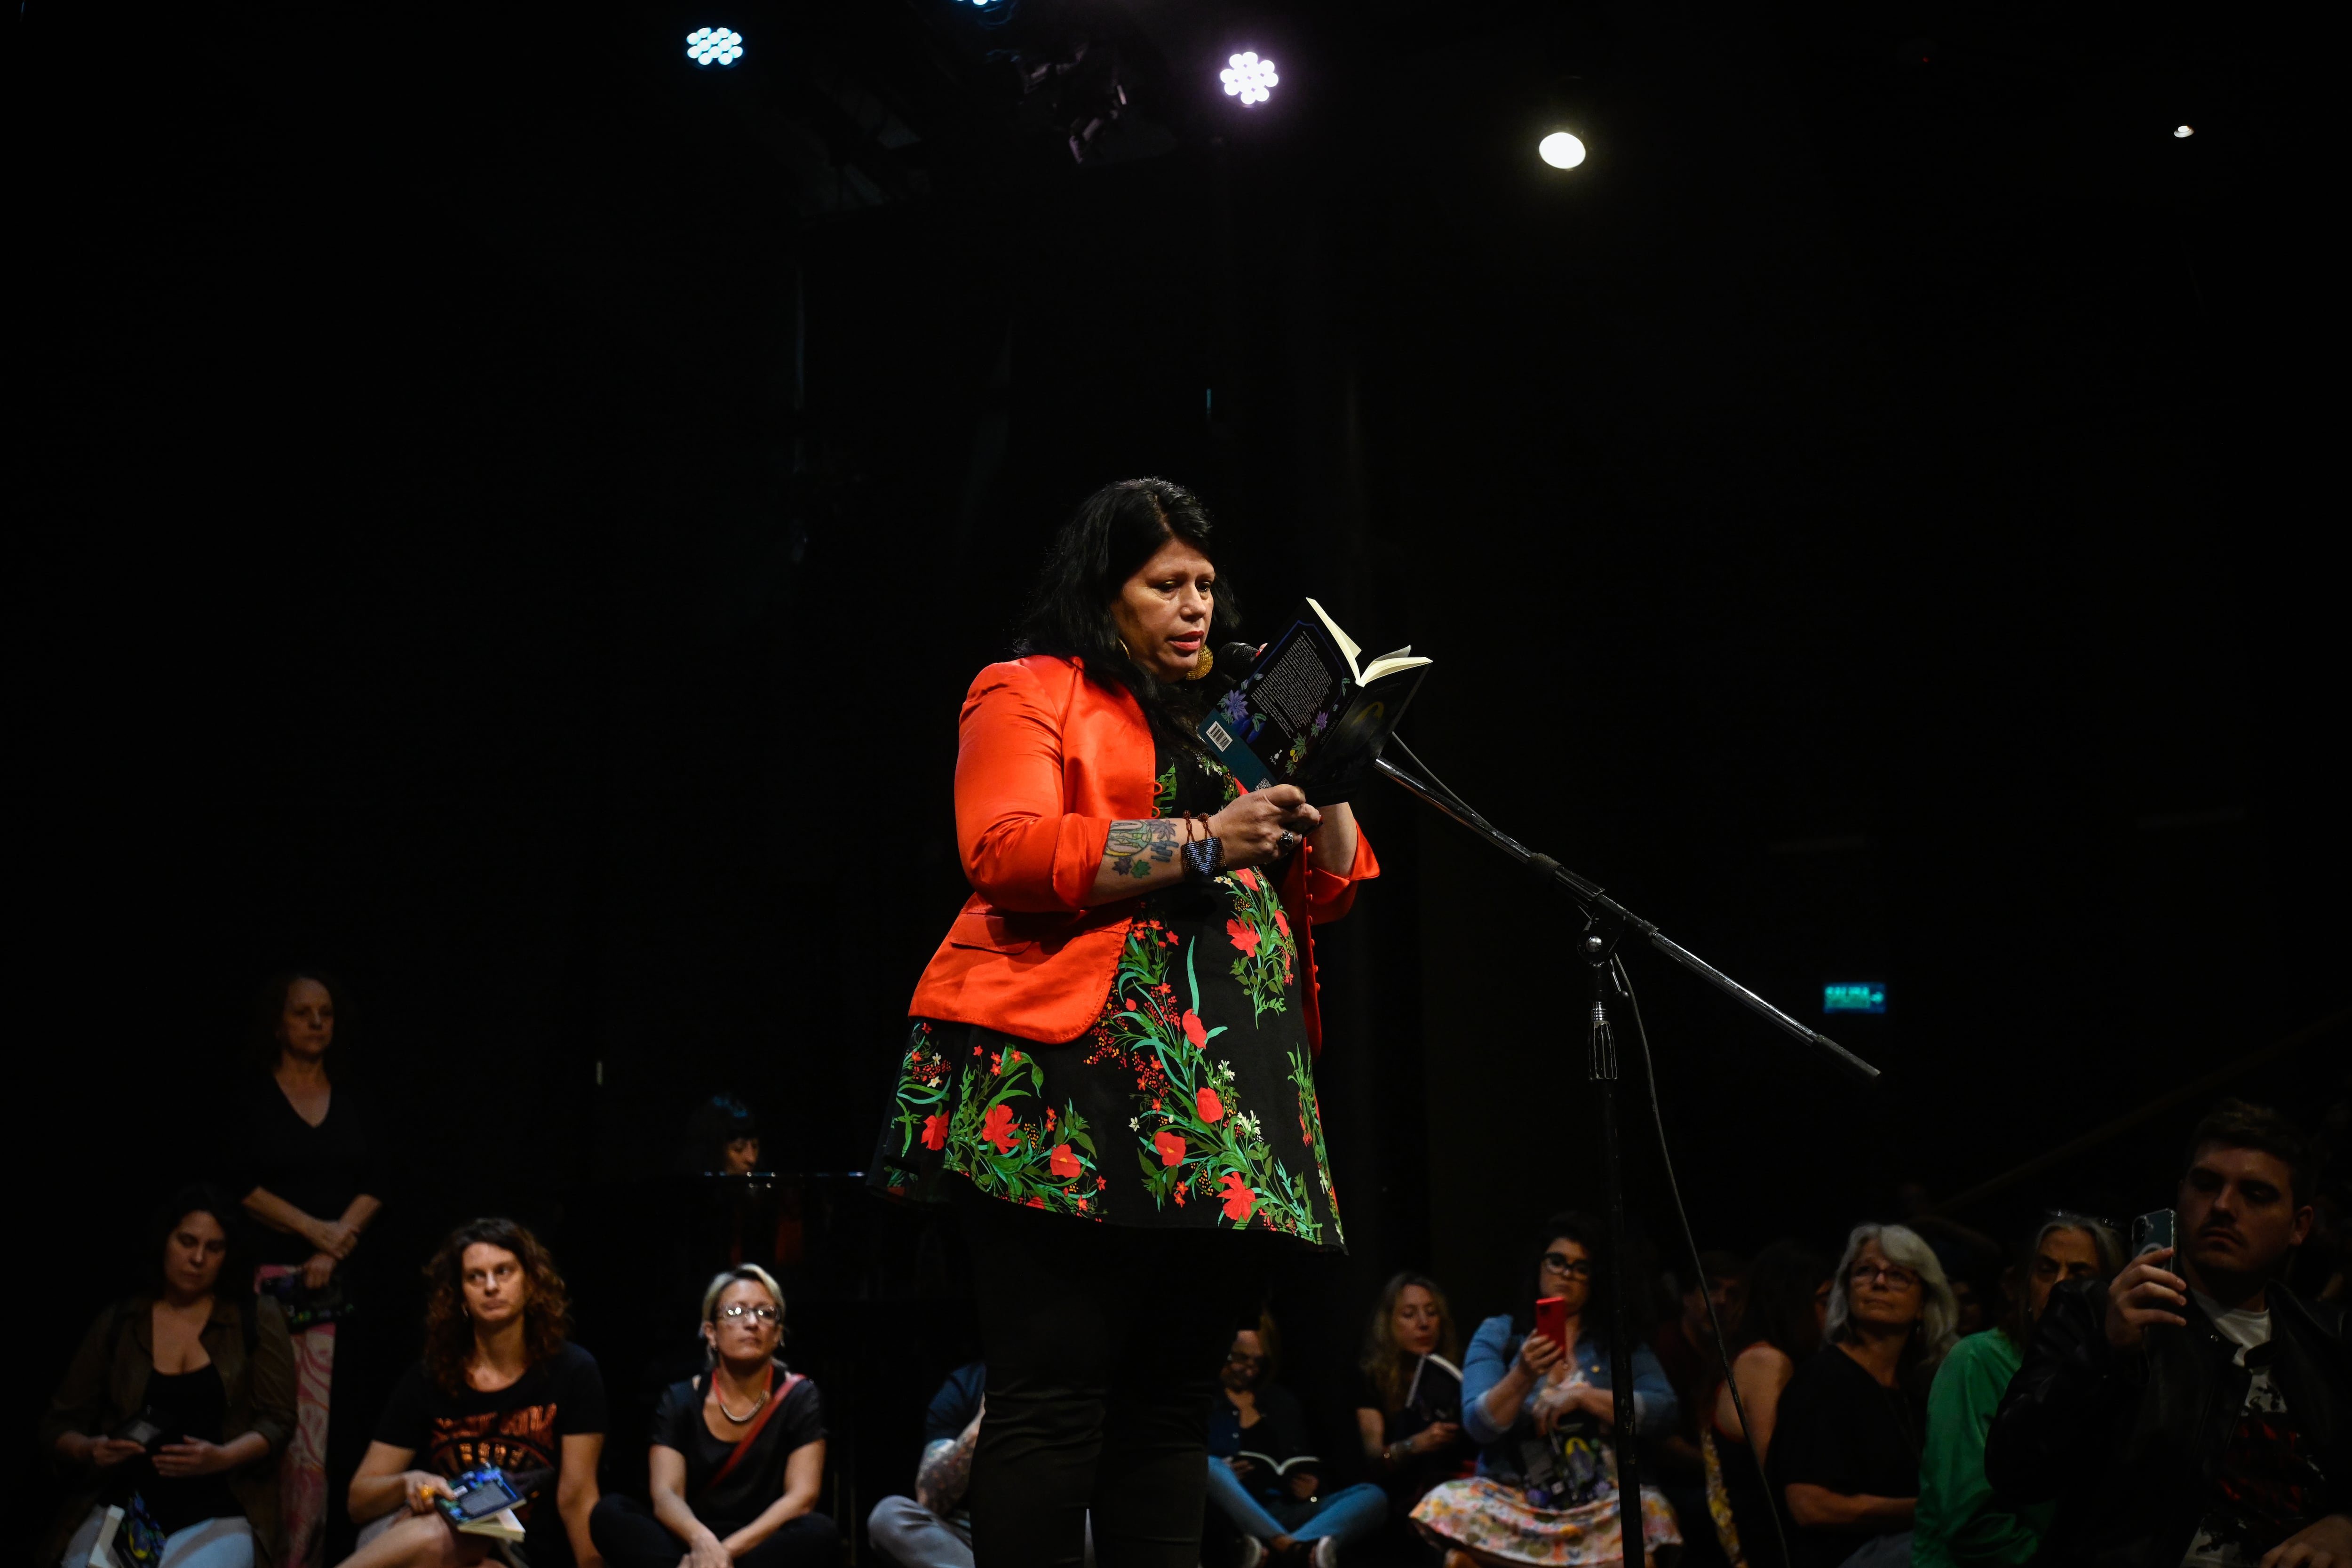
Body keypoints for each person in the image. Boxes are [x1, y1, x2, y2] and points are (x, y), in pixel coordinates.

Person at [868, 478, 1381, 1568]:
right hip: (1071, 1081)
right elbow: (1003, 849)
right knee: (1052, 1404)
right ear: (1107, 595)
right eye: (1165, 585)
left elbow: (1334, 883)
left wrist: (1326, 765)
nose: (1195, 605)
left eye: (1204, 583)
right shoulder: (1028, 686)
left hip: (1226, 1107)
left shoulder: (1239, 718)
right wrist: (1205, 838)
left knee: (1167, 1412)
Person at [1987, 1099, 2352, 1568]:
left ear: (2298, 1226)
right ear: (2179, 1197)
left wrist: (2346, 1522)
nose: (2222, 1206)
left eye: (2255, 1194)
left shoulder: (2330, 1338)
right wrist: (2105, 1353)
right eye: (2205, 1185)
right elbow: (2014, 1472)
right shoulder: (2093, 1308)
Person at [43, 1186, 299, 1568]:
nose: (198, 1258)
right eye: (187, 1242)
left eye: (214, 1248)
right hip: (127, 1501)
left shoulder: (255, 1317)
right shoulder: (121, 1321)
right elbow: (58, 1424)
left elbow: (279, 1420)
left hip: (221, 1501)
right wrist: (88, 1449)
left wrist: (222, 1457)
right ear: (165, 1240)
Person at [1413, 1213, 1682, 1567]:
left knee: (1651, 1510)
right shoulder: (1500, 1333)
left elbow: (1665, 1411)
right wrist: (1523, 1374)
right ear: (1540, 1266)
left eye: (1581, 1267)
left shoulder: (1616, 1344)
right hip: (1517, 1494)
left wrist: (1584, 1397)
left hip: (1599, 1497)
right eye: (1557, 1261)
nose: (1567, 1273)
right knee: (1445, 1503)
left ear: (1593, 1279)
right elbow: (1479, 1423)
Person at [340, 1219, 606, 1568]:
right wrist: (409, 1481)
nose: (491, 1286)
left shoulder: (572, 1371)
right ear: (460, 1295)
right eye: (475, 1276)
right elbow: (359, 1500)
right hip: (422, 1538)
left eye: (504, 1271)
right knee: (441, 1533)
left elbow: (577, 1497)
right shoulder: (431, 1376)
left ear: (530, 1284)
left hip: (516, 1551)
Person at [230, 971, 382, 1568]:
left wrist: (334, 1244)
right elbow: (240, 1185)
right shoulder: (252, 1098)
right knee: (269, 1423)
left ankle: (307, 1554)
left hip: (336, 1288)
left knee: (321, 1442)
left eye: (325, 1013)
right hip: (265, 1283)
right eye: (302, 1013)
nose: (316, 1024)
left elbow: (379, 1182)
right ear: (278, 1023)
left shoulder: (352, 1099)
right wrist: (311, 1230)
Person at [591, 1265, 836, 1568]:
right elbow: (666, 1494)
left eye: (765, 1314)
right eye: (736, 1313)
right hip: (690, 1539)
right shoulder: (680, 1399)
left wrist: (725, 1553)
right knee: (610, 1513)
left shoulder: (800, 1397)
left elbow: (802, 1496)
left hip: (759, 1543)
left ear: (777, 1335)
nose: (752, 1323)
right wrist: (703, 1543)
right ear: (711, 1333)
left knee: (819, 1531)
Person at [1913, 1213, 2122, 1568]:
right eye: (2046, 1269)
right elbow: (1973, 1522)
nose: (2060, 1285)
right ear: (2024, 1285)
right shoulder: (1976, 1359)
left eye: (2079, 1272)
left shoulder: (2113, 1367)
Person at [1765, 1225, 1953, 1568]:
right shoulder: (1821, 1379)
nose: (1879, 1283)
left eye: (1897, 1275)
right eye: (1865, 1271)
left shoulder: (1920, 1389)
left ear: (1923, 1303)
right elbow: (1809, 1505)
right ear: (1846, 1290)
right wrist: (1929, 1509)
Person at [1207, 1317, 1387, 1566]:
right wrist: (1228, 1478)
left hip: (1284, 1509)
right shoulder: (1206, 1400)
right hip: (1232, 1515)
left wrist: (1311, 1493)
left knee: (1373, 1495)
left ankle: (1277, 1551)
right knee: (1209, 1467)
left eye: (1257, 1362)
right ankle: (1292, 1550)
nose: (1248, 1370)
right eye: (1239, 1359)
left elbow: (1304, 1468)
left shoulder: (1281, 1403)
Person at [1703, 1242, 1832, 1568]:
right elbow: (1777, 1470)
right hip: (1768, 1549)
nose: (1833, 1313)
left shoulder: (1765, 1357)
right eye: (1824, 1301)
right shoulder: (1765, 1361)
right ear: (1795, 1305)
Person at [1357, 1270, 1473, 1561]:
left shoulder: (1457, 1369)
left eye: (1431, 1313)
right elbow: (1374, 1459)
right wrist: (1416, 1444)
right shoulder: (1372, 1379)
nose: (1424, 1324)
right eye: (1409, 1314)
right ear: (1389, 1322)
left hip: (1455, 1486)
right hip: (1400, 1496)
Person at [868, 1360, 988, 1567]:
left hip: (1050, 1532)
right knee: (889, 1517)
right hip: (974, 1535)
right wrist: (985, 1421)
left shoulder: (1062, 1386)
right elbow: (928, 1499)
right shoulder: (968, 1382)